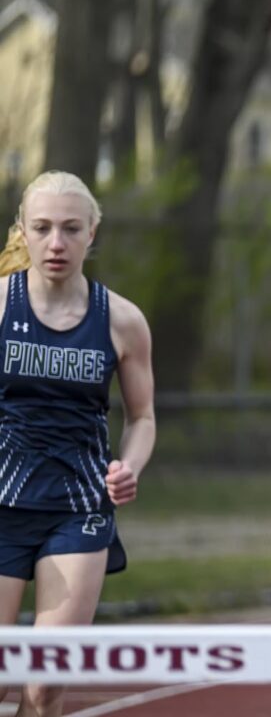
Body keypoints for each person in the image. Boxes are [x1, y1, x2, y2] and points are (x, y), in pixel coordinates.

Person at [0, 171, 155, 716]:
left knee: (45, 687)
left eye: (70, 228)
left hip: (78, 510)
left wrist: (129, 466)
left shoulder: (123, 321)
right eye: (42, 228)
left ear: (92, 232)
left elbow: (142, 417)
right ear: (23, 230)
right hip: (2, 506)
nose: (56, 243)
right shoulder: (2, 307)